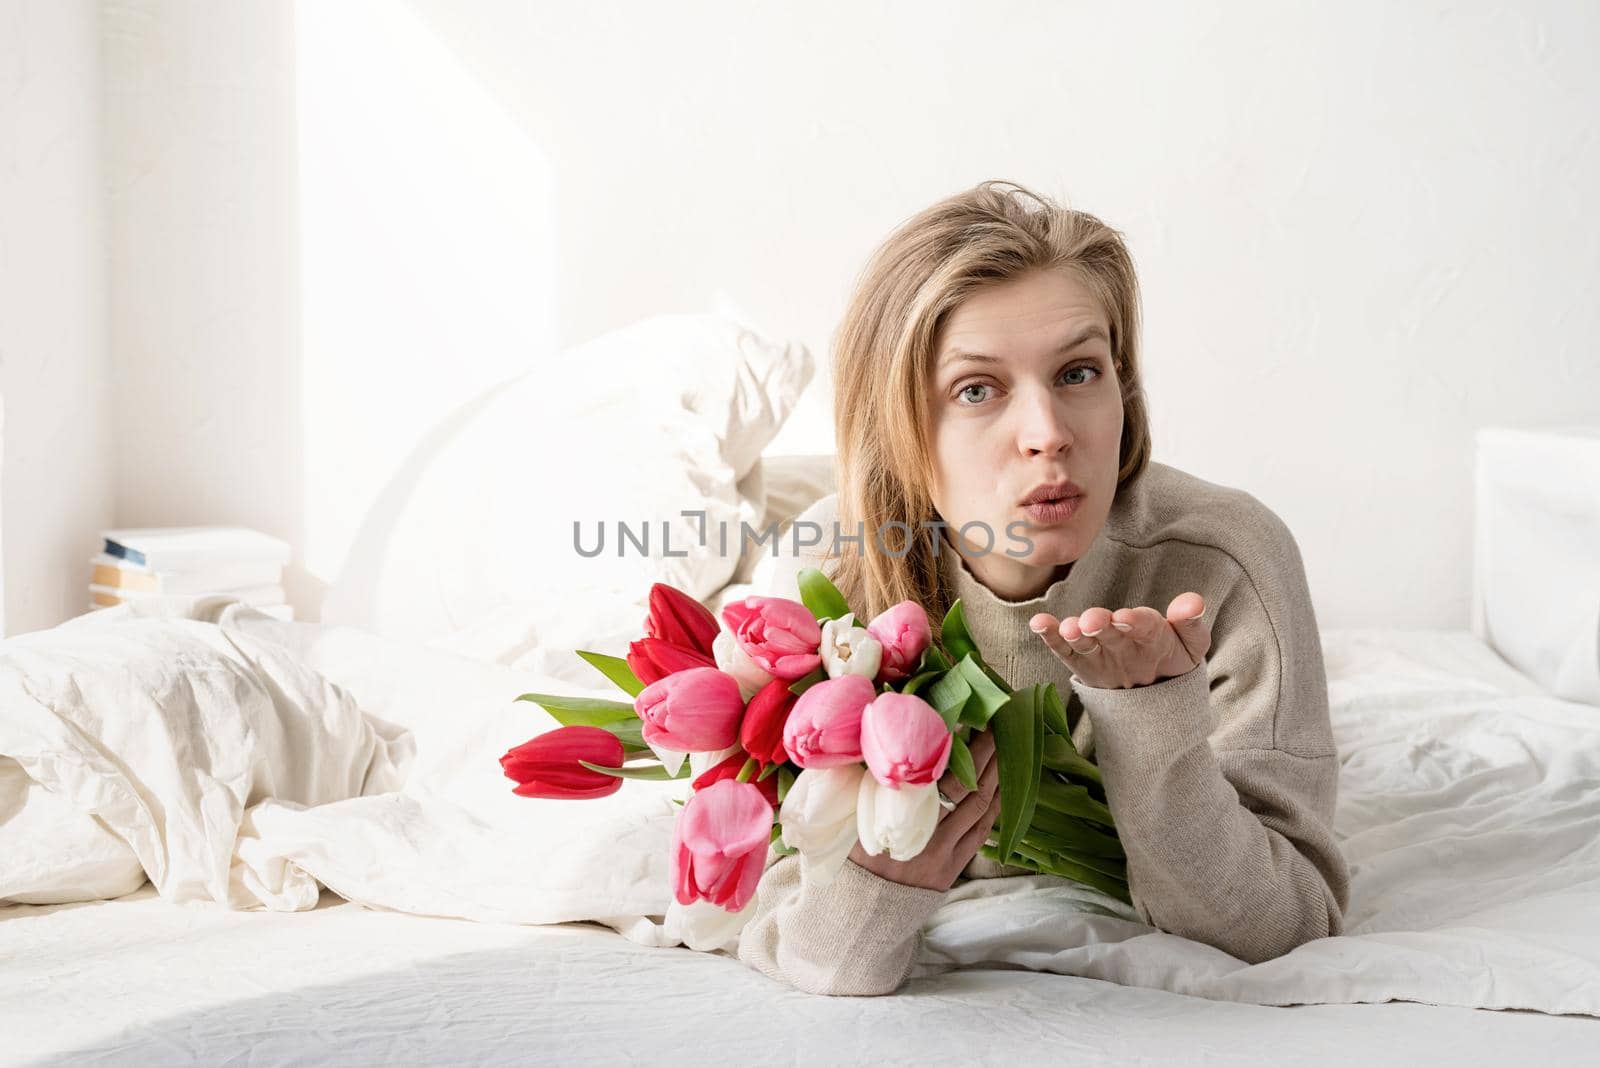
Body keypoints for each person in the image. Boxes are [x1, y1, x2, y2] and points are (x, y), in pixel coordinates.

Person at [734, 179, 1351, 996]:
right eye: (977, 390)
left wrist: (1154, 720)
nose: (1050, 435)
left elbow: (1286, 923)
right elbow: (803, 943)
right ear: (898, 423)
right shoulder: (826, 576)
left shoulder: (1226, 560)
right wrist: (885, 878)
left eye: (1079, 372)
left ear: (1124, 386)